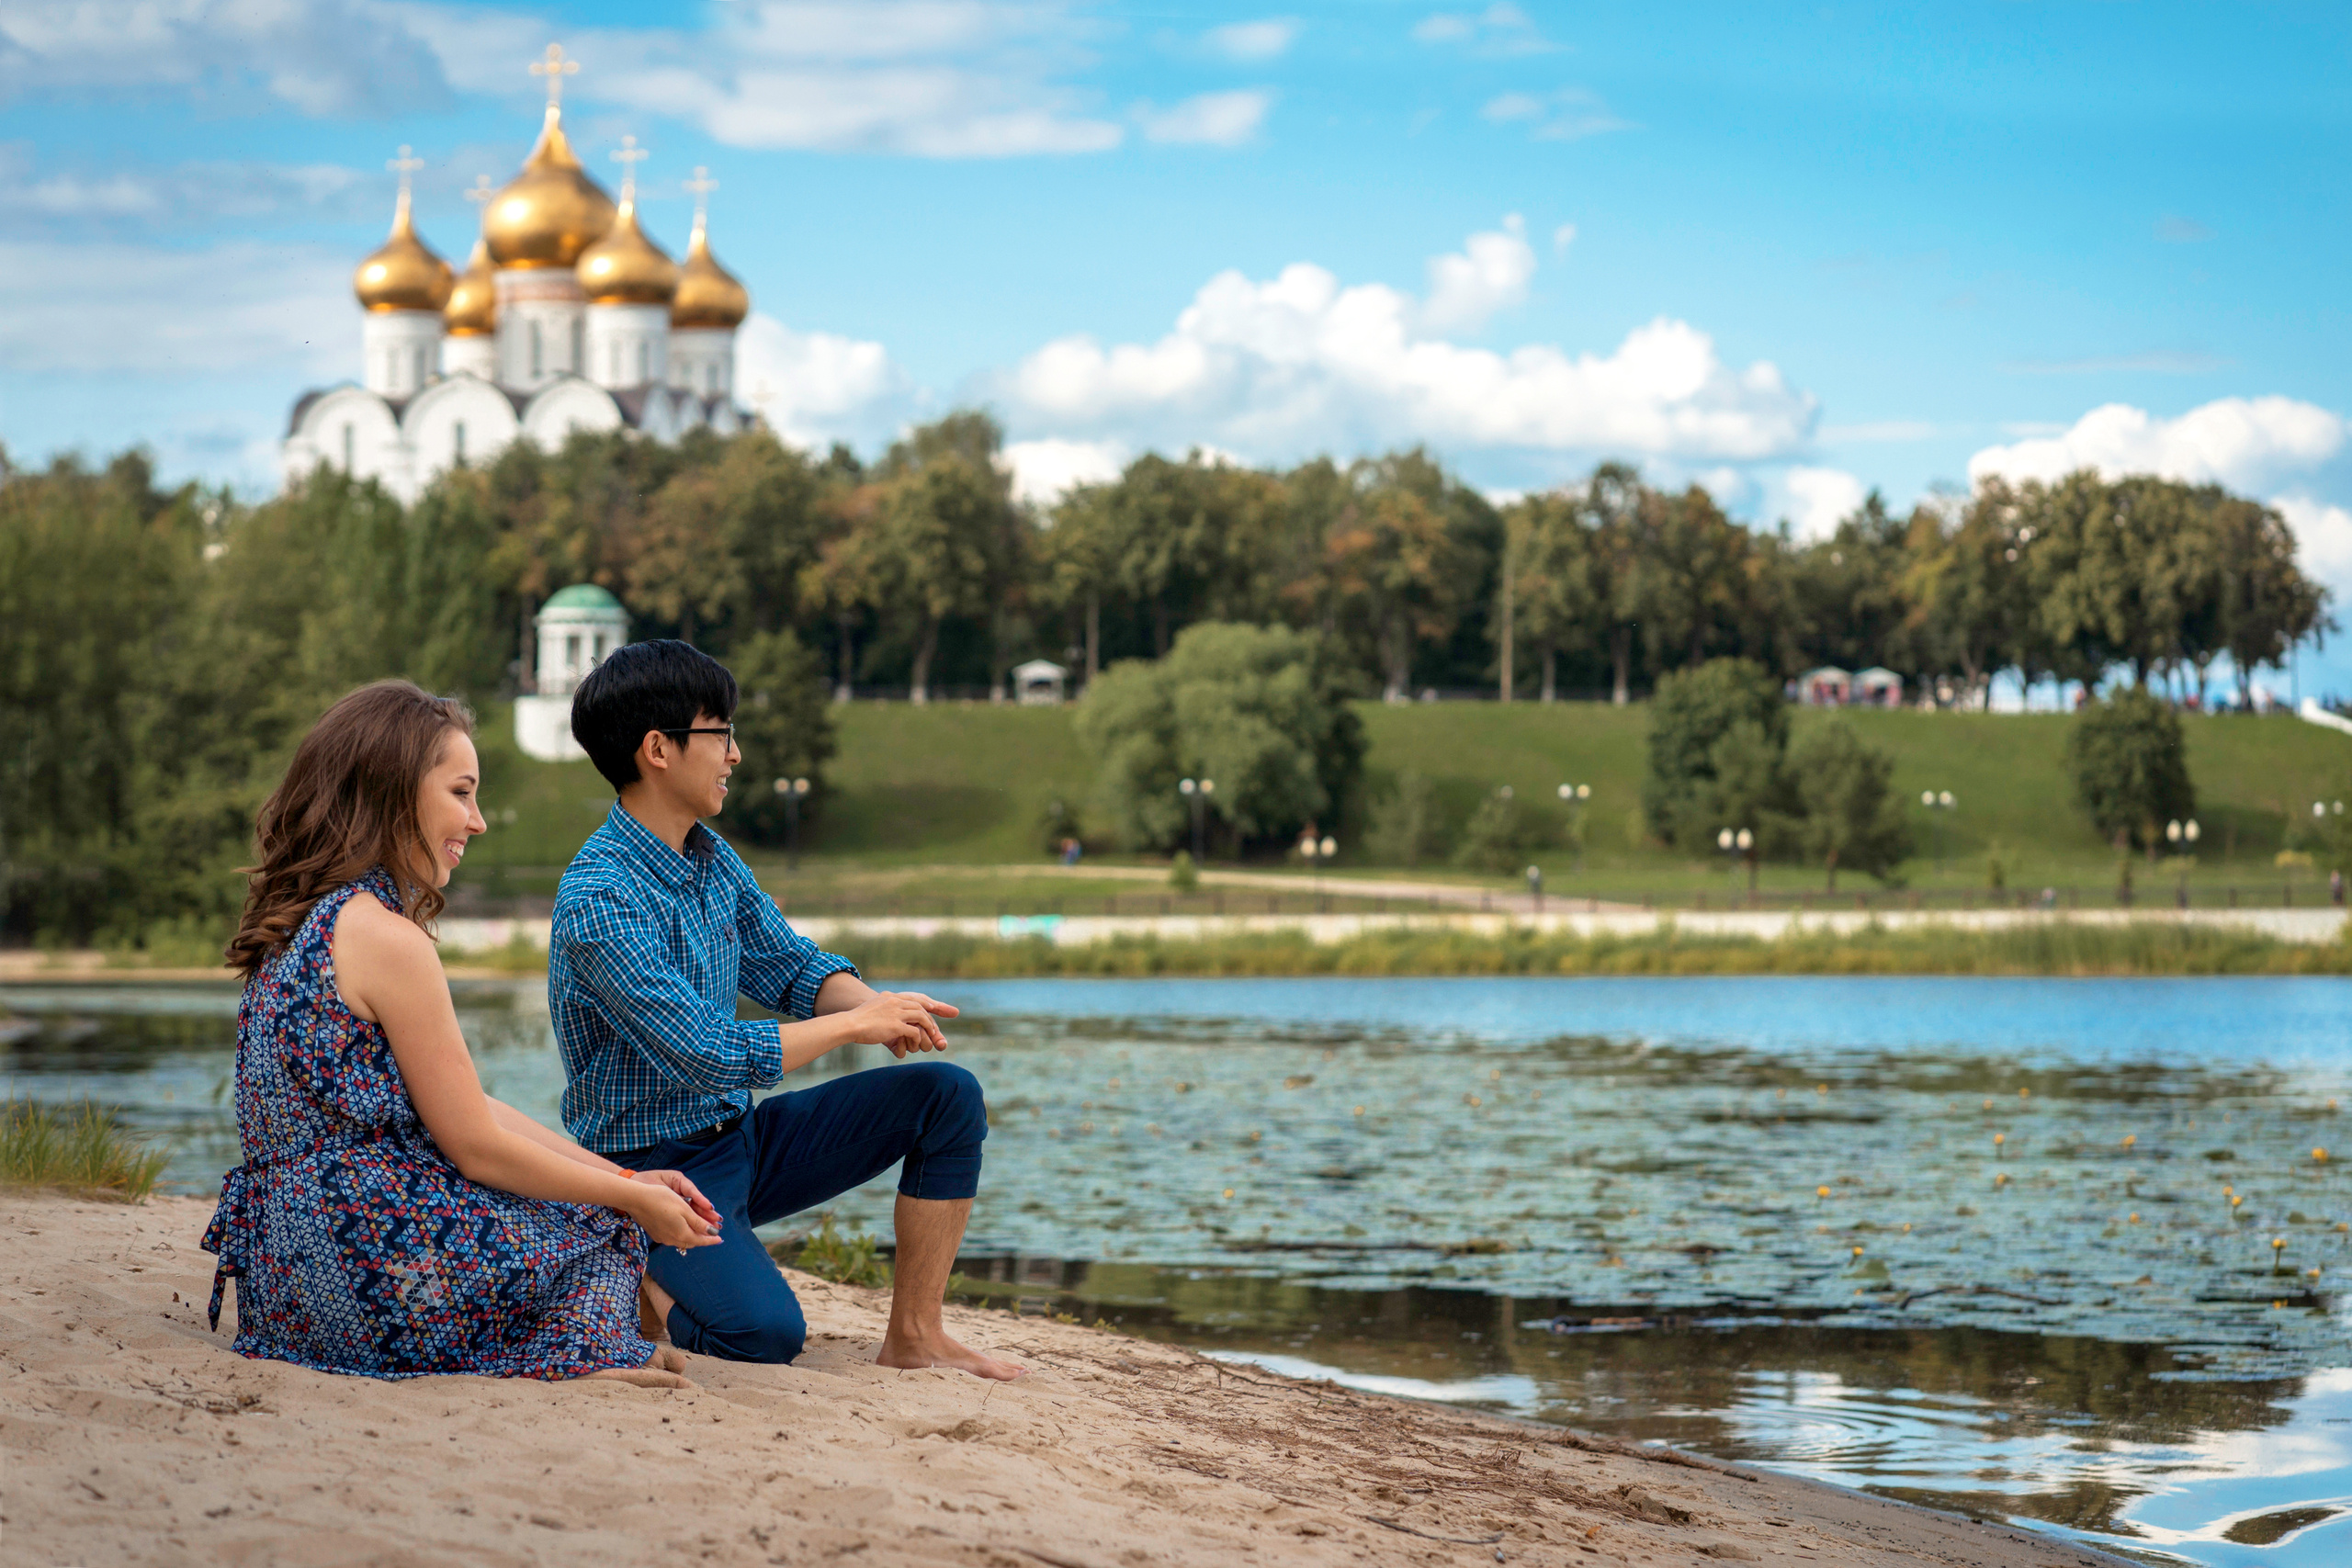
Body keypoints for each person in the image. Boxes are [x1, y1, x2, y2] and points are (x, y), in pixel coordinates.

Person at [202, 681, 723, 1384]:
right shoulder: (388, 938)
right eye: (461, 792)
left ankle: (609, 1336)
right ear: (393, 793)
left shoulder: (303, 921)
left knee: (592, 1203)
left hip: (281, 1279)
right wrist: (629, 1199)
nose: (477, 821)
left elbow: (466, 1105)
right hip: (366, 1264)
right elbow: (476, 1148)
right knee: (603, 1232)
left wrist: (623, 1173)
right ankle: (592, 1353)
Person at [550, 639, 1022, 1380]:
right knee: (763, 1337)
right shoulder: (598, 898)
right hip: (649, 1171)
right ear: (658, 750)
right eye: (721, 732)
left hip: (741, 1141)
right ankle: (637, 1272)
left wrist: (880, 1006)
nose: (735, 754)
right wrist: (852, 1027)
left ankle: (917, 1334)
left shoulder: (709, 855)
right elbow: (702, 1049)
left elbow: (790, 964)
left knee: (946, 1096)